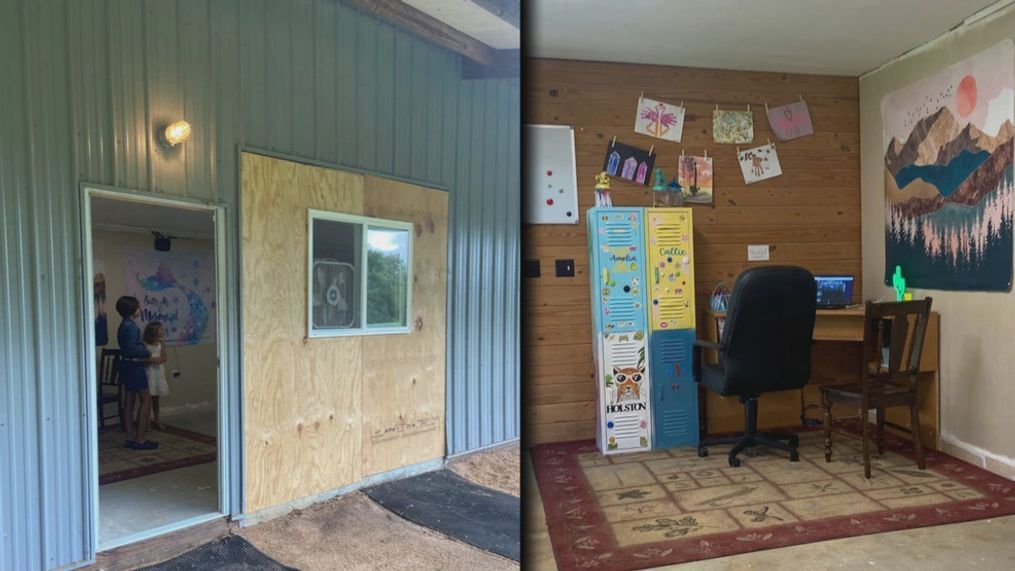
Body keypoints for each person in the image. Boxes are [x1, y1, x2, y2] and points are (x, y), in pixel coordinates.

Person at [115, 296, 158, 450]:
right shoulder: (131, 327)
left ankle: (130, 438)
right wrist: (146, 353)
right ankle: (140, 439)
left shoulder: (123, 325)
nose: (140, 309)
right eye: (138, 307)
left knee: (129, 402)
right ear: (132, 310)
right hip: (134, 366)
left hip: (126, 365)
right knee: (146, 400)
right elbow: (132, 349)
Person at [143, 322, 169, 431]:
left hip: (158, 371)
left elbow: (164, 357)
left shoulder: (161, 343)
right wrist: (151, 360)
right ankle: (146, 421)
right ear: (153, 331)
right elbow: (143, 359)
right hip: (149, 371)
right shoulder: (145, 343)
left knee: (156, 397)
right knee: (147, 397)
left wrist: (158, 360)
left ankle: (157, 419)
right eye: (160, 329)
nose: (162, 331)